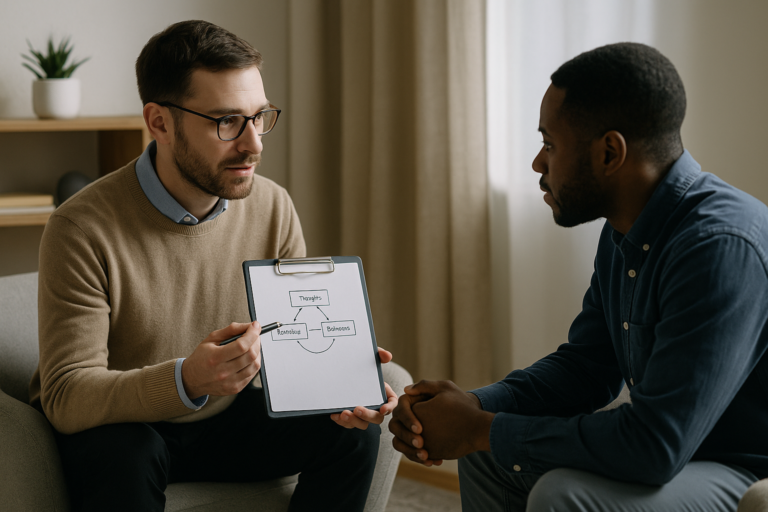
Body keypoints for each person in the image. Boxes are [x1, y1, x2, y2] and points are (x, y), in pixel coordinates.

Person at [29, 20, 398, 512]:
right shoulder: (80, 227)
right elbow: (67, 394)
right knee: (125, 454)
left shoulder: (273, 206)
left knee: (349, 437)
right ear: (159, 121)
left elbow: (288, 344)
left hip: (225, 418)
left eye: (259, 117)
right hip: (127, 426)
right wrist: (186, 380)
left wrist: (339, 374)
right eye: (226, 122)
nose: (254, 144)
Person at [389, 42, 768, 511]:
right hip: (681, 454)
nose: (537, 163)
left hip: (746, 469)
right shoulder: (624, 229)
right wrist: (474, 405)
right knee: (488, 457)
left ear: (610, 152)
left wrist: (479, 428)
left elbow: (655, 446)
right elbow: (585, 368)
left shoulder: (719, 246)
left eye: (550, 144)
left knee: (559, 491)